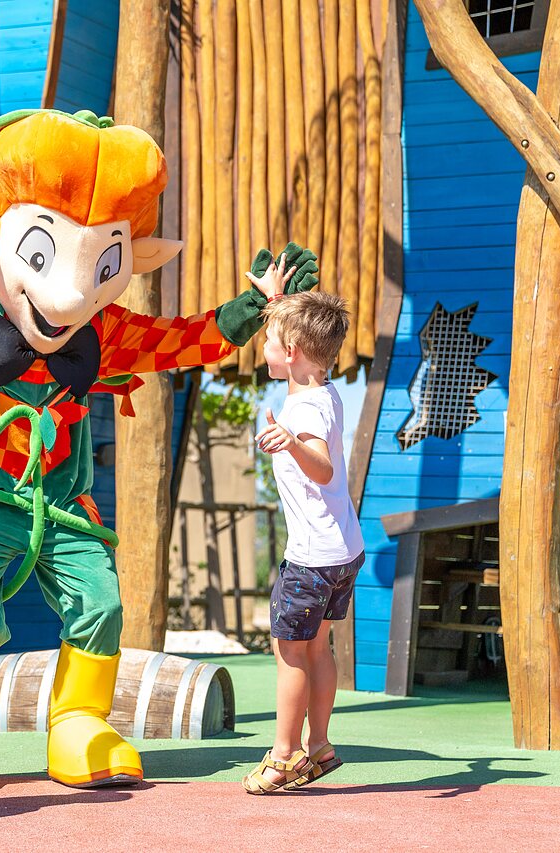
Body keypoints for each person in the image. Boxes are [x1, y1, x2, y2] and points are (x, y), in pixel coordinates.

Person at [240, 285, 364, 795]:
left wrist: (291, 444)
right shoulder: (322, 391)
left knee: (290, 652)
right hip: (343, 550)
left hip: (312, 559)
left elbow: (325, 465)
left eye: (269, 338)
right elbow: (296, 329)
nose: (262, 344)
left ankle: (284, 756)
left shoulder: (305, 412)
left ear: (290, 352)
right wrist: (277, 302)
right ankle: (320, 746)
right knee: (318, 649)